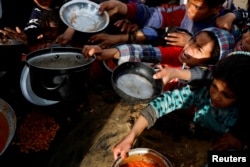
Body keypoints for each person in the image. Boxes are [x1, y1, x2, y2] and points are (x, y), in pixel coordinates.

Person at [113, 52, 250, 160]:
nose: (215, 96)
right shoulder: (202, 91)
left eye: (227, 95)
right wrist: (131, 136)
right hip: (195, 135)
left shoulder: (242, 118)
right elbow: (163, 102)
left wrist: (240, 143)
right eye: (214, 86)